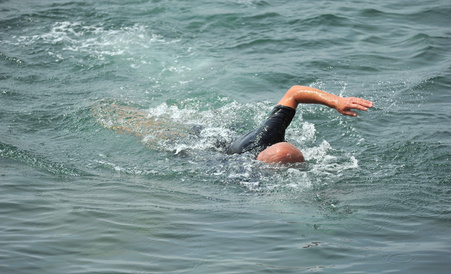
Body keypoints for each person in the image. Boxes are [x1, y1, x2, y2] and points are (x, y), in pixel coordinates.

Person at [93, 85, 373, 164]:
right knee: (160, 137)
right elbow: (294, 91)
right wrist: (335, 100)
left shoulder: (273, 133)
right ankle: (118, 118)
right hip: (216, 152)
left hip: (232, 138)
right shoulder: (251, 166)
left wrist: (335, 101)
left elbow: (294, 94)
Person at [226, 85, 373, 164]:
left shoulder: (270, 132)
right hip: (222, 146)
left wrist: (336, 101)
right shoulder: (241, 170)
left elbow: (294, 93)